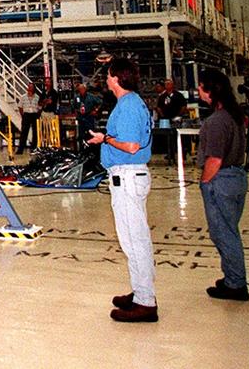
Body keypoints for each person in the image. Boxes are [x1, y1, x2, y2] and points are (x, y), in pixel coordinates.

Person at [86, 57, 157, 323]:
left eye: (108, 75)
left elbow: (131, 146)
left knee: (134, 240)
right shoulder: (132, 103)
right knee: (135, 239)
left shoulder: (127, 106)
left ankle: (146, 302)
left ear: (116, 78)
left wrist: (105, 138)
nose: (105, 79)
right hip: (129, 176)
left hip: (127, 176)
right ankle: (140, 292)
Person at [196, 70, 249, 301]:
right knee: (229, 231)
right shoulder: (232, 115)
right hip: (235, 177)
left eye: (200, 86)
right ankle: (232, 278)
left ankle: (236, 284)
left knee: (223, 234)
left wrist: (205, 182)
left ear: (210, 90)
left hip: (221, 180)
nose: (198, 90)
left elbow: (215, 159)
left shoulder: (217, 121)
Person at [155, 79, 187, 164]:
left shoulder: (178, 95)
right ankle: (170, 154)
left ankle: (182, 153)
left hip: (176, 119)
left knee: (178, 136)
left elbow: (184, 106)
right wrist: (162, 115)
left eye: (169, 84)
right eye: (166, 84)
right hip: (166, 119)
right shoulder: (163, 96)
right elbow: (158, 107)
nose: (167, 85)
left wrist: (178, 115)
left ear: (172, 85)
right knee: (168, 137)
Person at [16, 84, 46, 154]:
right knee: (24, 132)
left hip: (34, 115)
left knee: (35, 132)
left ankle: (33, 148)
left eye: (31, 87)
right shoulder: (23, 97)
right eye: (29, 87)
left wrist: (38, 114)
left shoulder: (37, 97)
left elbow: (40, 107)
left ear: (34, 88)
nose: (30, 88)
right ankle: (20, 149)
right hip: (26, 115)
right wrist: (23, 115)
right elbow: (20, 107)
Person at [74, 82, 102, 146]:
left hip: (89, 116)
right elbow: (74, 106)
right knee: (81, 134)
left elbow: (100, 102)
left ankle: (91, 147)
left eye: (82, 89)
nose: (81, 90)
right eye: (80, 89)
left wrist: (96, 110)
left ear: (85, 89)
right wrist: (77, 111)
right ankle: (81, 147)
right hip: (80, 117)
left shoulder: (91, 96)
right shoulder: (77, 97)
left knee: (90, 133)